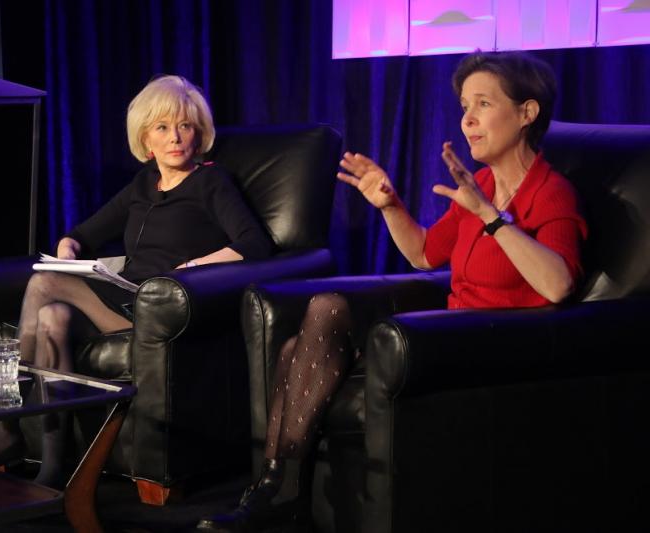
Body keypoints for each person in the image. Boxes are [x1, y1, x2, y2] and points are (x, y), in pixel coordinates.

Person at [197, 51, 587, 531]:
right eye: (465, 104)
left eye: (483, 104)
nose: (467, 119)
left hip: (496, 347)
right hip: (450, 335)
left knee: (314, 337)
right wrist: (389, 204)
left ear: (527, 113)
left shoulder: (551, 192)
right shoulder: (481, 182)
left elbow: (559, 283)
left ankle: (279, 494)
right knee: (311, 329)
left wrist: (491, 217)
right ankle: (277, 489)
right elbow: (425, 254)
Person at [0, 75, 272, 487]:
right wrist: (69, 245)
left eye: (184, 126)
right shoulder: (143, 185)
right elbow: (84, 233)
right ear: (146, 139)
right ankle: (55, 466)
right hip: (121, 295)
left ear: (198, 133)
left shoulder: (211, 182)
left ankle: (4, 421)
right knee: (53, 317)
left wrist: (199, 264)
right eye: (163, 127)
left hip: (158, 307)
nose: (175, 137)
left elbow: (255, 243)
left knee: (44, 284)